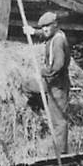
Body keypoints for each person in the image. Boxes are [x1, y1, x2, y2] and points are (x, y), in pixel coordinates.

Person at [23, 11, 71, 154]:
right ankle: (40, 107)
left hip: (57, 85)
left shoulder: (58, 41)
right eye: (42, 27)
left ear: (55, 25)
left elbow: (59, 65)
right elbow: (44, 34)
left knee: (59, 121)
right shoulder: (54, 34)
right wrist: (33, 32)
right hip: (49, 82)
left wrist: (43, 72)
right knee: (27, 85)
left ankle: (61, 153)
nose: (44, 29)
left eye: (47, 26)